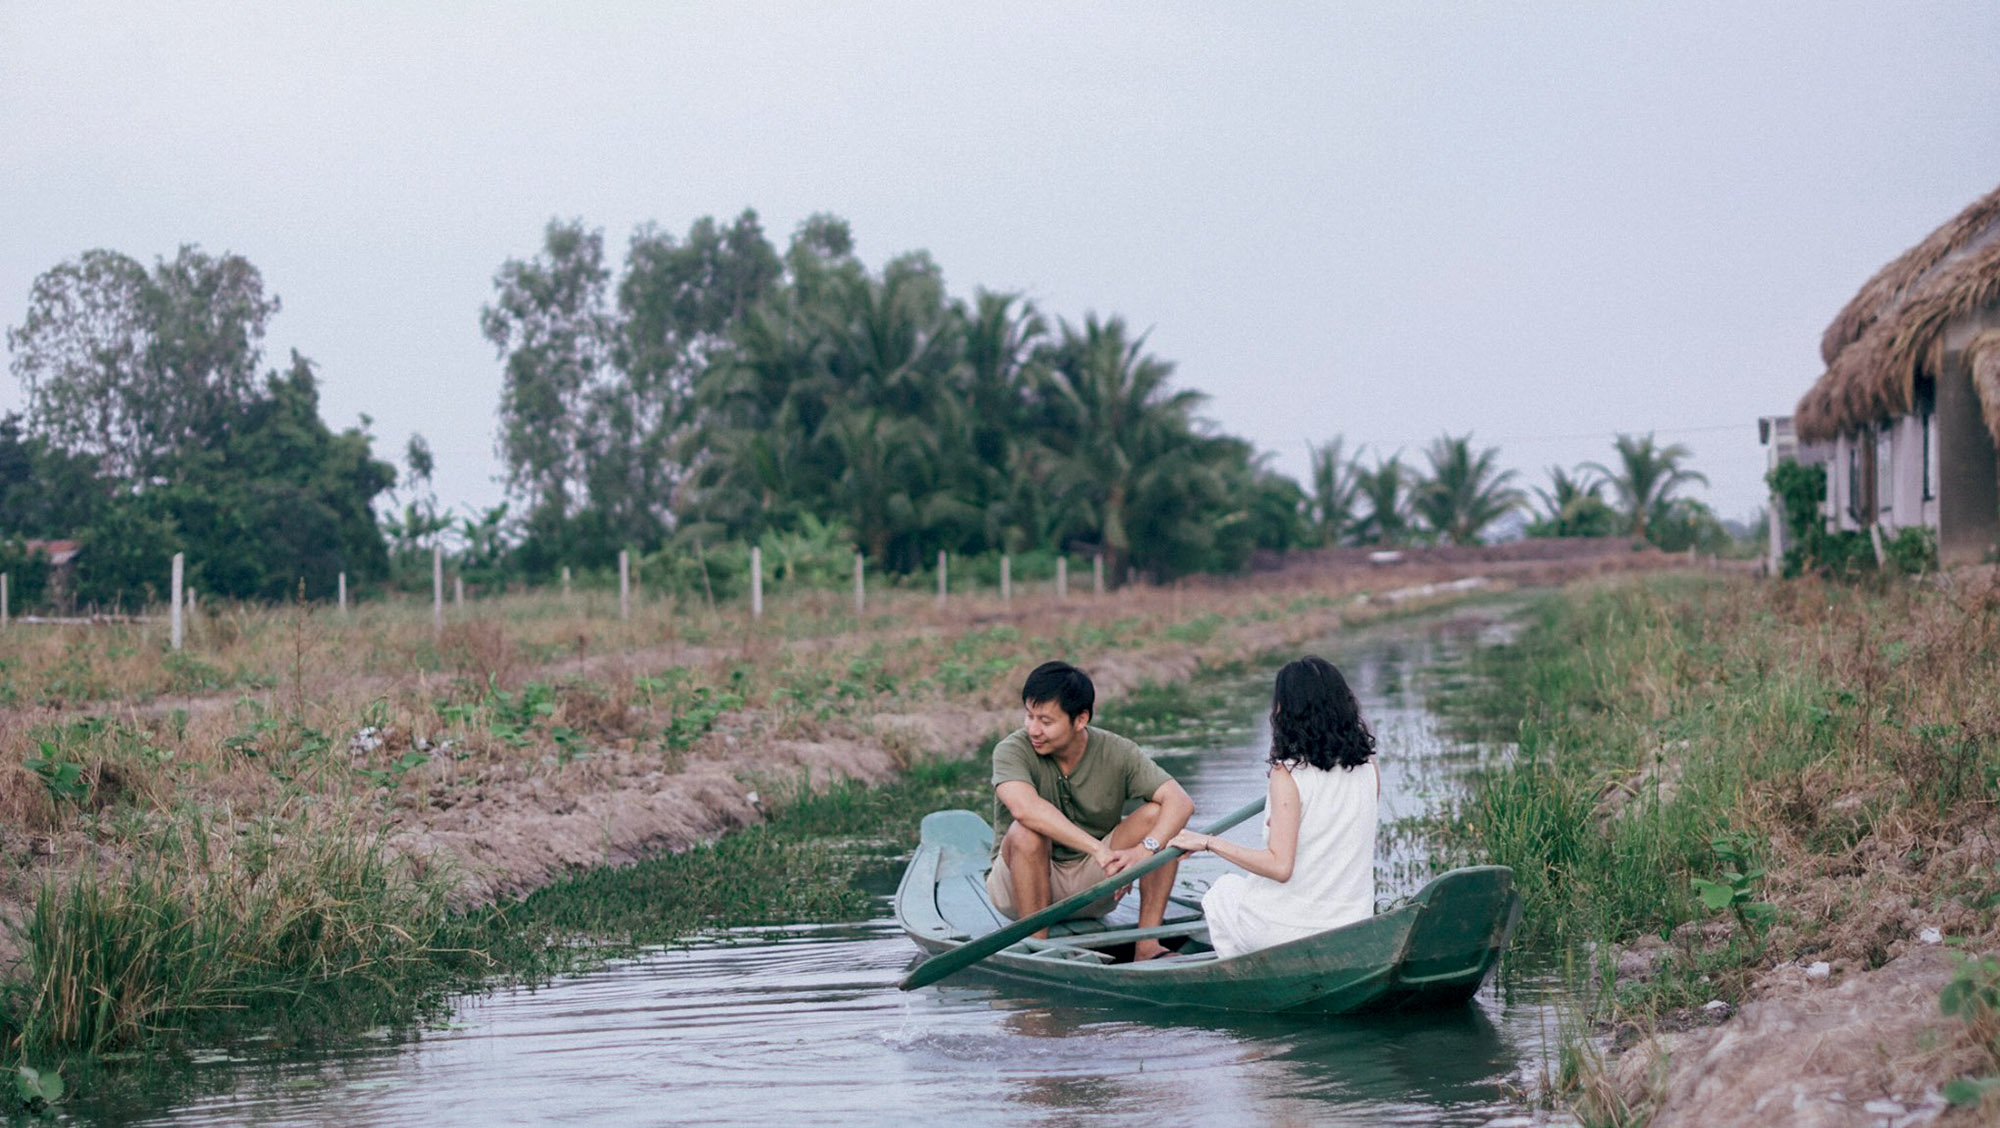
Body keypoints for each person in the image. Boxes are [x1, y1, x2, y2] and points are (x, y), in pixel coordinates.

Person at [1170, 655, 1378, 960]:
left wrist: (1208, 842)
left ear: (1287, 710)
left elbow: (1280, 867)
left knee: (1221, 893)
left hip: (1291, 931)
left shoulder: (1288, 774)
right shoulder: (1370, 767)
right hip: (1353, 925)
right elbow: (1341, 827)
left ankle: (1246, 980)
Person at [988, 660, 1195, 961]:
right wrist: (1098, 850)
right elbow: (1025, 809)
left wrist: (1145, 851)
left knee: (1158, 817)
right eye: (1029, 716)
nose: (1033, 729)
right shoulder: (1011, 750)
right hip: (1019, 885)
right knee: (1026, 832)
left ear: (1080, 719)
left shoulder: (1117, 751)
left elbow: (1181, 801)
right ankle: (1038, 946)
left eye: (1045, 721)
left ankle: (1148, 946)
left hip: (1096, 881)